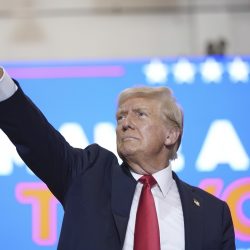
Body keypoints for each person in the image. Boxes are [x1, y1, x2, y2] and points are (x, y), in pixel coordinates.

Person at [0, 67, 235, 250]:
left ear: (171, 134)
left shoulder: (212, 213)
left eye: (140, 114)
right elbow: (35, 136)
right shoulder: (88, 175)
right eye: (120, 117)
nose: (125, 123)